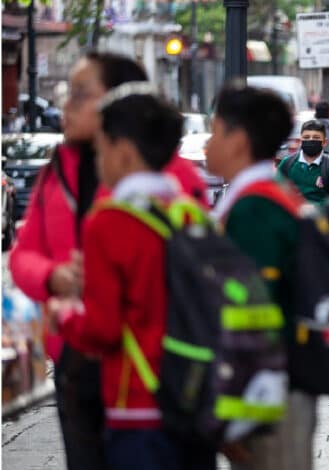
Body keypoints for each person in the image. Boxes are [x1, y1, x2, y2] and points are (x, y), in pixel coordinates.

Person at [8, 51, 206, 470]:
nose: (67, 105)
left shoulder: (173, 177)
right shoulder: (57, 168)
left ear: (121, 100)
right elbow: (24, 255)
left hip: (154, 364)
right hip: (76, 360)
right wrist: (54, 278)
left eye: (82, 94)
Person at [50, 83, 216, 470]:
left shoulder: (108, 223)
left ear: (123, 152)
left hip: (138, 405)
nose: (97, 160)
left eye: (100, 149)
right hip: (195, 400)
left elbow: (103, 330)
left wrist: (65, 315)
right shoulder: (190, 213)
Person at [206, 83, 316, 470]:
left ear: (237, 139)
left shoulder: (255, 208)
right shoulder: (262, 194)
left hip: (268, 393)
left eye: (214, 131)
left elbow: (254, 312)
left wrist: (236, 415)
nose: (207, 143)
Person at [277, 120, 329, 207]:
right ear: (301, 141)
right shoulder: (287, 163)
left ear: (324, 142)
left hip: (324, 218)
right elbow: (275, 191)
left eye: (316, 138)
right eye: (306, 137)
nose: (311, 140)